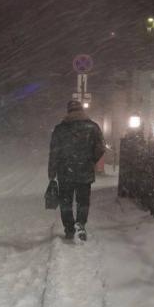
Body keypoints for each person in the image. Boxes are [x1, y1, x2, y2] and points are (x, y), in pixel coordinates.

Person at [48, 100, 105, 241]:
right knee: (83, 201)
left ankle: (69, 229)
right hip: (84, 170)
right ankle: (81, 224)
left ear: (68, 111)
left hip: (65, 172)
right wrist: (91, 159)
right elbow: (101, 147)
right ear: (82, 111)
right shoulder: (92, 127)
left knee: (66, 202)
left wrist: (52, 172)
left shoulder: (60, 129)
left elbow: (54, 152)